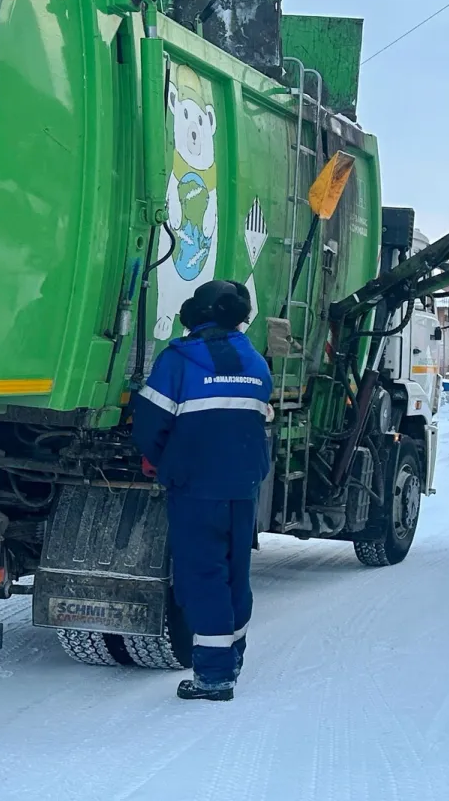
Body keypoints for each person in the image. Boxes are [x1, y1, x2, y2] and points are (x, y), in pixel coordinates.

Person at [132, 279, 273, 702]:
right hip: (242, 487)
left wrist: (166, 461)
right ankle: (231, 658)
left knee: (201, 576)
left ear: (200, 313)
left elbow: (148, 425)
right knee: (234, 575)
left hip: (196, 488)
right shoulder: (255, 361)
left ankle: (213, 677)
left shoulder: (180, 360)